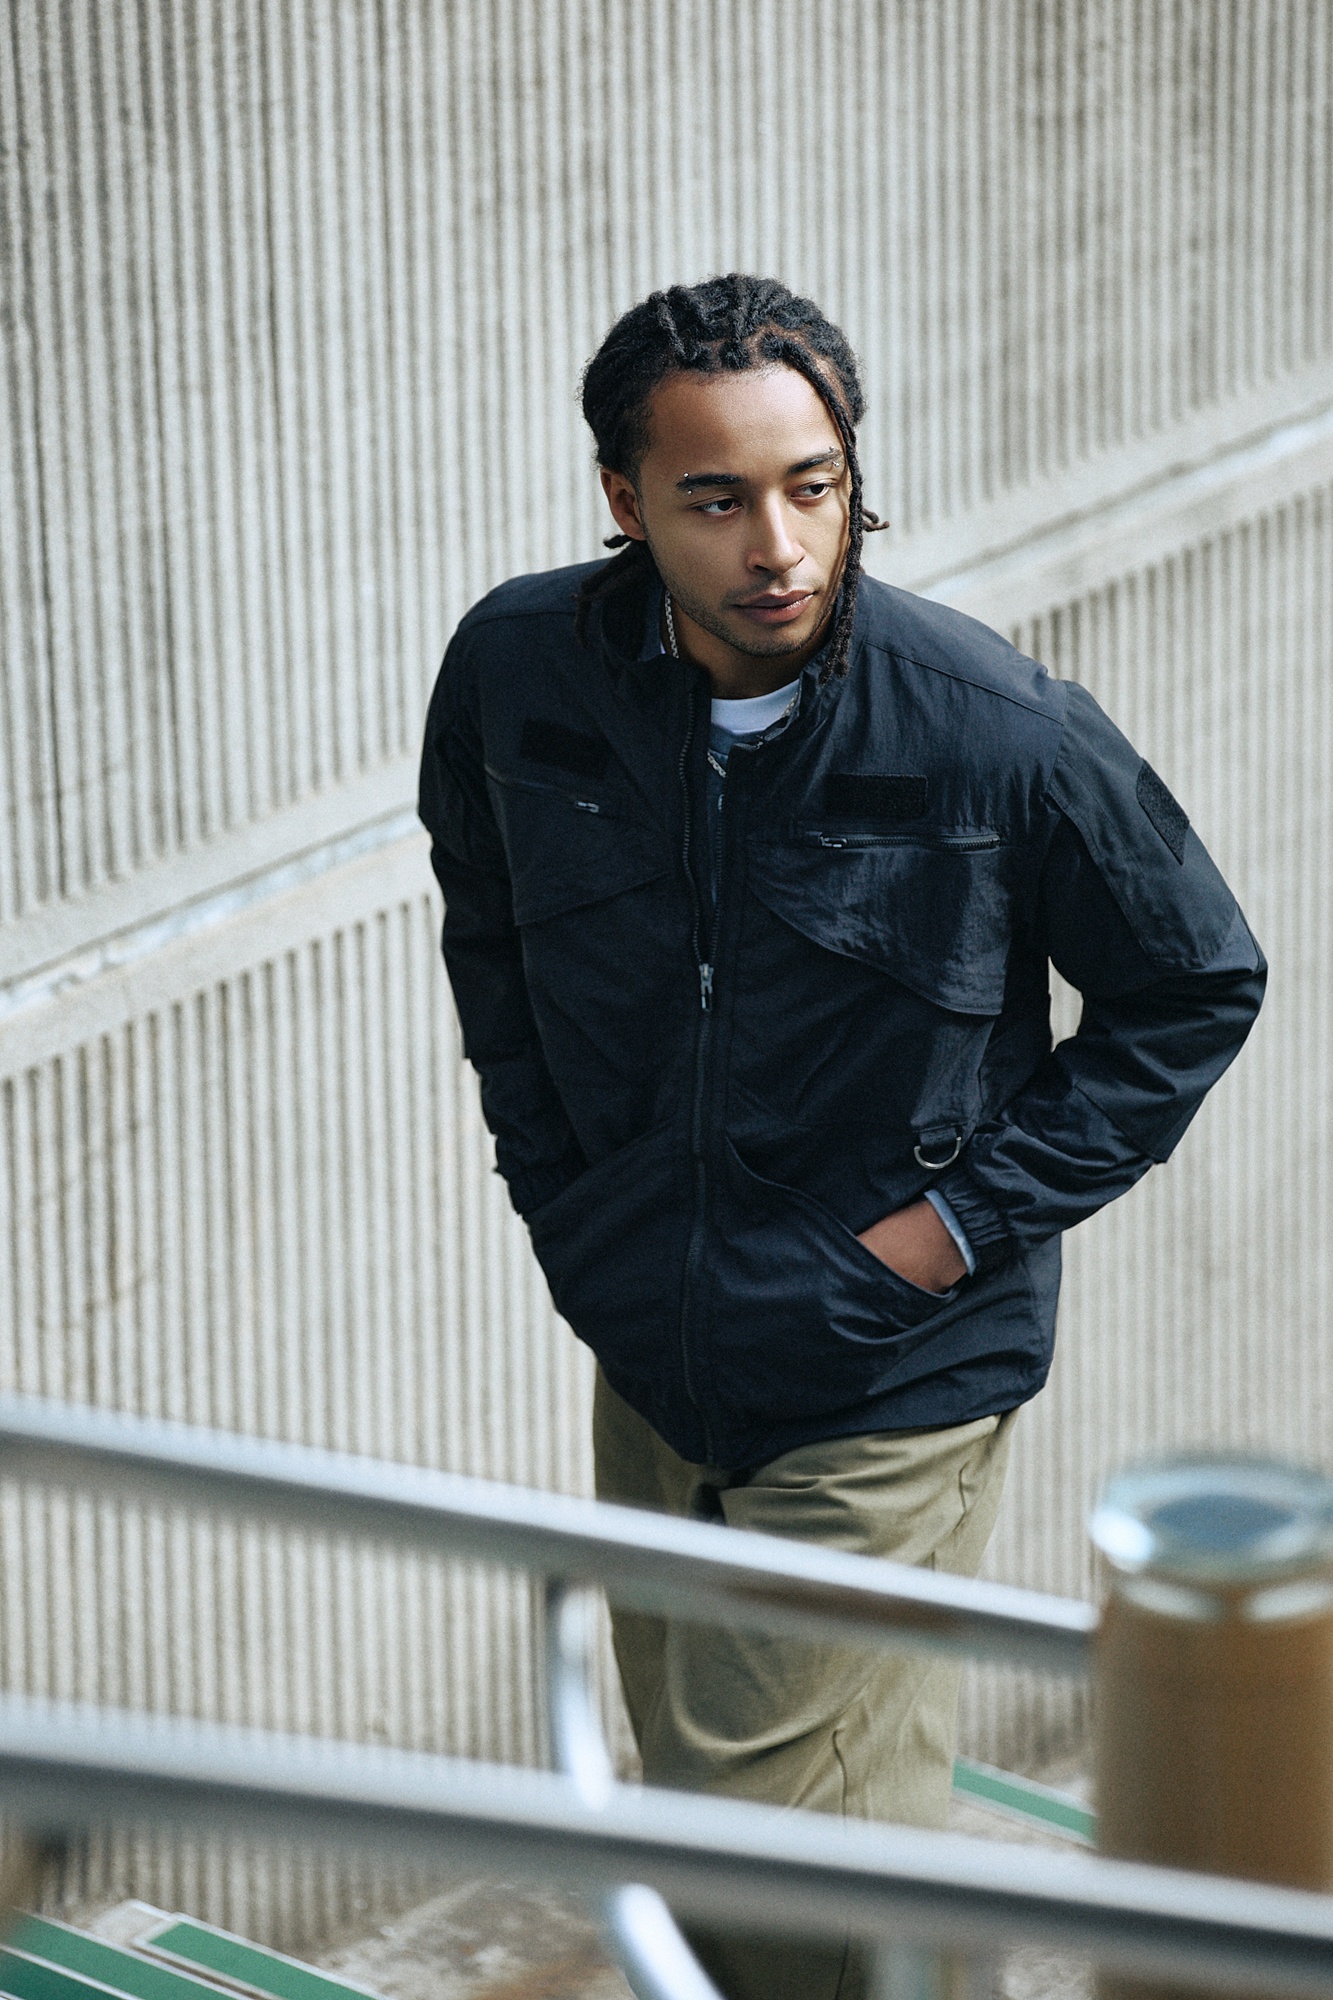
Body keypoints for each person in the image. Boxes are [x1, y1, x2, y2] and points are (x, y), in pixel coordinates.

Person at [418, 274, 1265, 2000]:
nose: (778, 545)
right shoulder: (519, 670)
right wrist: (560, 1192)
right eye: (716, 499)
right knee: (741, 1821)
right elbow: (487, 927)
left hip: (891, 1364)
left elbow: (1193, 986)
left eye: (813, 486)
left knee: (754, 1824)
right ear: (623, 501)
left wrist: (942, 1239)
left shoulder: (992, 727)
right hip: (649, 1330)